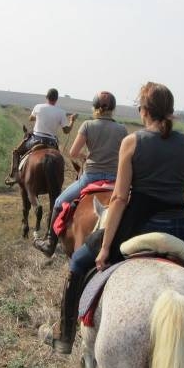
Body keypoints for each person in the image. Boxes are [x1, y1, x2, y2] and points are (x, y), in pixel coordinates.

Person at [39, 81, 184, 354]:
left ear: (144, 111)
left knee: (79, 262)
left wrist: (104, 250)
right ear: (170, 112)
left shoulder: (133, 142)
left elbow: (119, 199)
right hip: (178, 228)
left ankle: (64, 335)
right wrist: (174, 204)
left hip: (136, 226)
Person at [32, 90, 127, 257]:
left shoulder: (88, 125)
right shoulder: (121, 129)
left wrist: (86, 156)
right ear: (112, 109)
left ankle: (49, 243)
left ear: (95, 107)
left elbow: (73, 152)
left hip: (91, 177)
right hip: (115, 179)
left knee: (59, 202)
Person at [4, 88, 76, 185]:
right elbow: (66, 131)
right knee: (59, 160)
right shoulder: (61, 112)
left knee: (16, 152)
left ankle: (14, 176)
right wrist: (72, 121)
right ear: (56, 99)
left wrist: (39, 116)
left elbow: (31, 118)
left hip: (35, 140)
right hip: (52, 143)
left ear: (46, 97)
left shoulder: (38, 107)